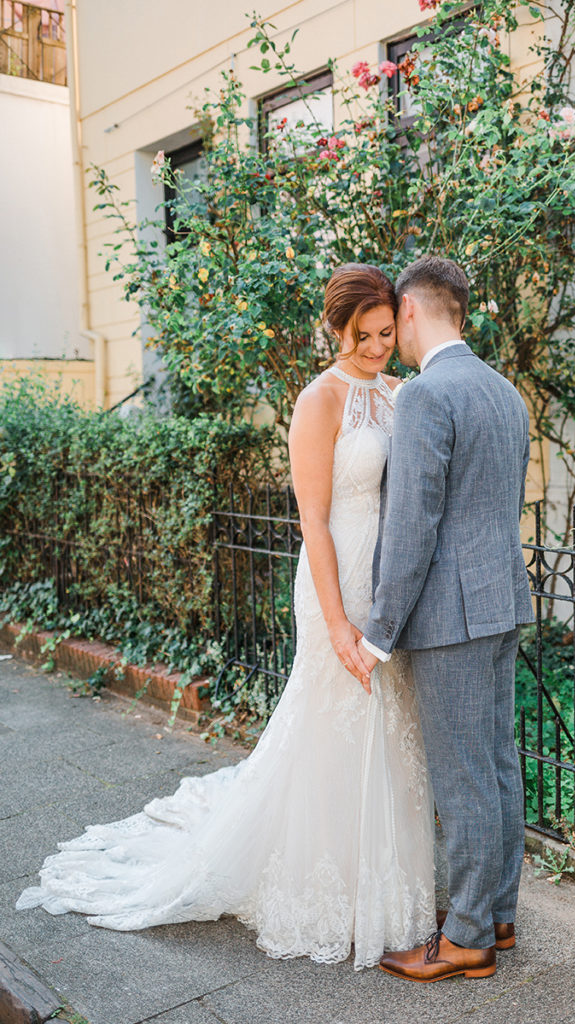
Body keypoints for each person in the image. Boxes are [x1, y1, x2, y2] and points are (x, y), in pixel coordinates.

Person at [16, 264, 436, 971]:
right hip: (335, 580)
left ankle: (385, 880)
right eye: (360, 336)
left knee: (388, 725)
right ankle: (325, 885)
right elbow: (313, 520)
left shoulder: (399, 393)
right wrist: (337, 623)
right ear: (335, 331)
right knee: (334, 723)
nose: (374, 348)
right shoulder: (319, 399)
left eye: (385, 334)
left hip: (386, 583)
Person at [357, 255, 534, 982]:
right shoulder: (505, 392)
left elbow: (412, 528)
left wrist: (378, 632)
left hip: (450, 619)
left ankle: (465, 939)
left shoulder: (427, 394)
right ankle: (495, 914)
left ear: (408, 310)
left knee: (463, 778)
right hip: (500, 603)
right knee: (496, 763)